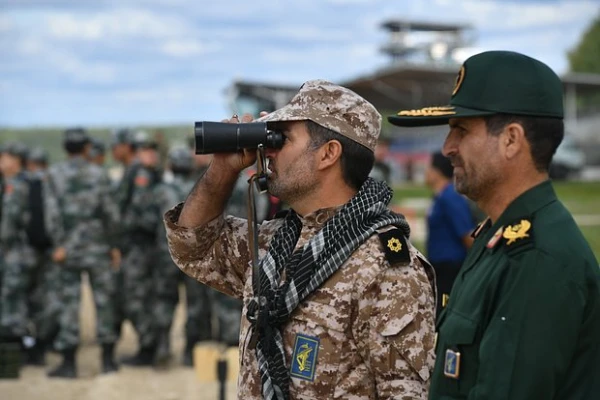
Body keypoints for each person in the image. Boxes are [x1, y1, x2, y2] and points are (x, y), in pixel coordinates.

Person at [165, 80, 436, 399]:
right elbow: (193, 247)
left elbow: (404, 392)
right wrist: (223, 169)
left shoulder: (386, 269)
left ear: (328, 154)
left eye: (283, 138)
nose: (269, 150)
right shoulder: (273, 242)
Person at [388, 50, 600, 400]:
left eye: (461, 130)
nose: (448, 147)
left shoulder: (536, 260)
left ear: (511, 140)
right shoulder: (497, 236)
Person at [45, 128, 121, 377]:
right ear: (87, 148)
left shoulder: (54, 174)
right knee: (105, 303)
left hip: (67, 251)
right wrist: (113, 245)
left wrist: (58, 244)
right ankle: (108, 361)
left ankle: (69, 365)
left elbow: (51, 213)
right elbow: (110, 213)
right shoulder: (99, 174)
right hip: (98, 247)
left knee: (69, 305)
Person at [119, 131, 162, 366]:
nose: (150, 154)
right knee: (138, 297)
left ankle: (149, 347)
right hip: (139, 245)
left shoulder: (144, 174)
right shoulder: (140, 173)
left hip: (143, 246)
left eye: (152, 150)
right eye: (145, 150)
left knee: (138, 297)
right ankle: (149, 345)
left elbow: (141, 214)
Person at [424, 152, 474, 315]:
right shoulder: (439, 196)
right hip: (439, 268)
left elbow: (466, 234)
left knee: (444, 313)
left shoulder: (451, 197)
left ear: (437, 171)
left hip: (450, 268)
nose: (426, 172)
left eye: (429, 168)